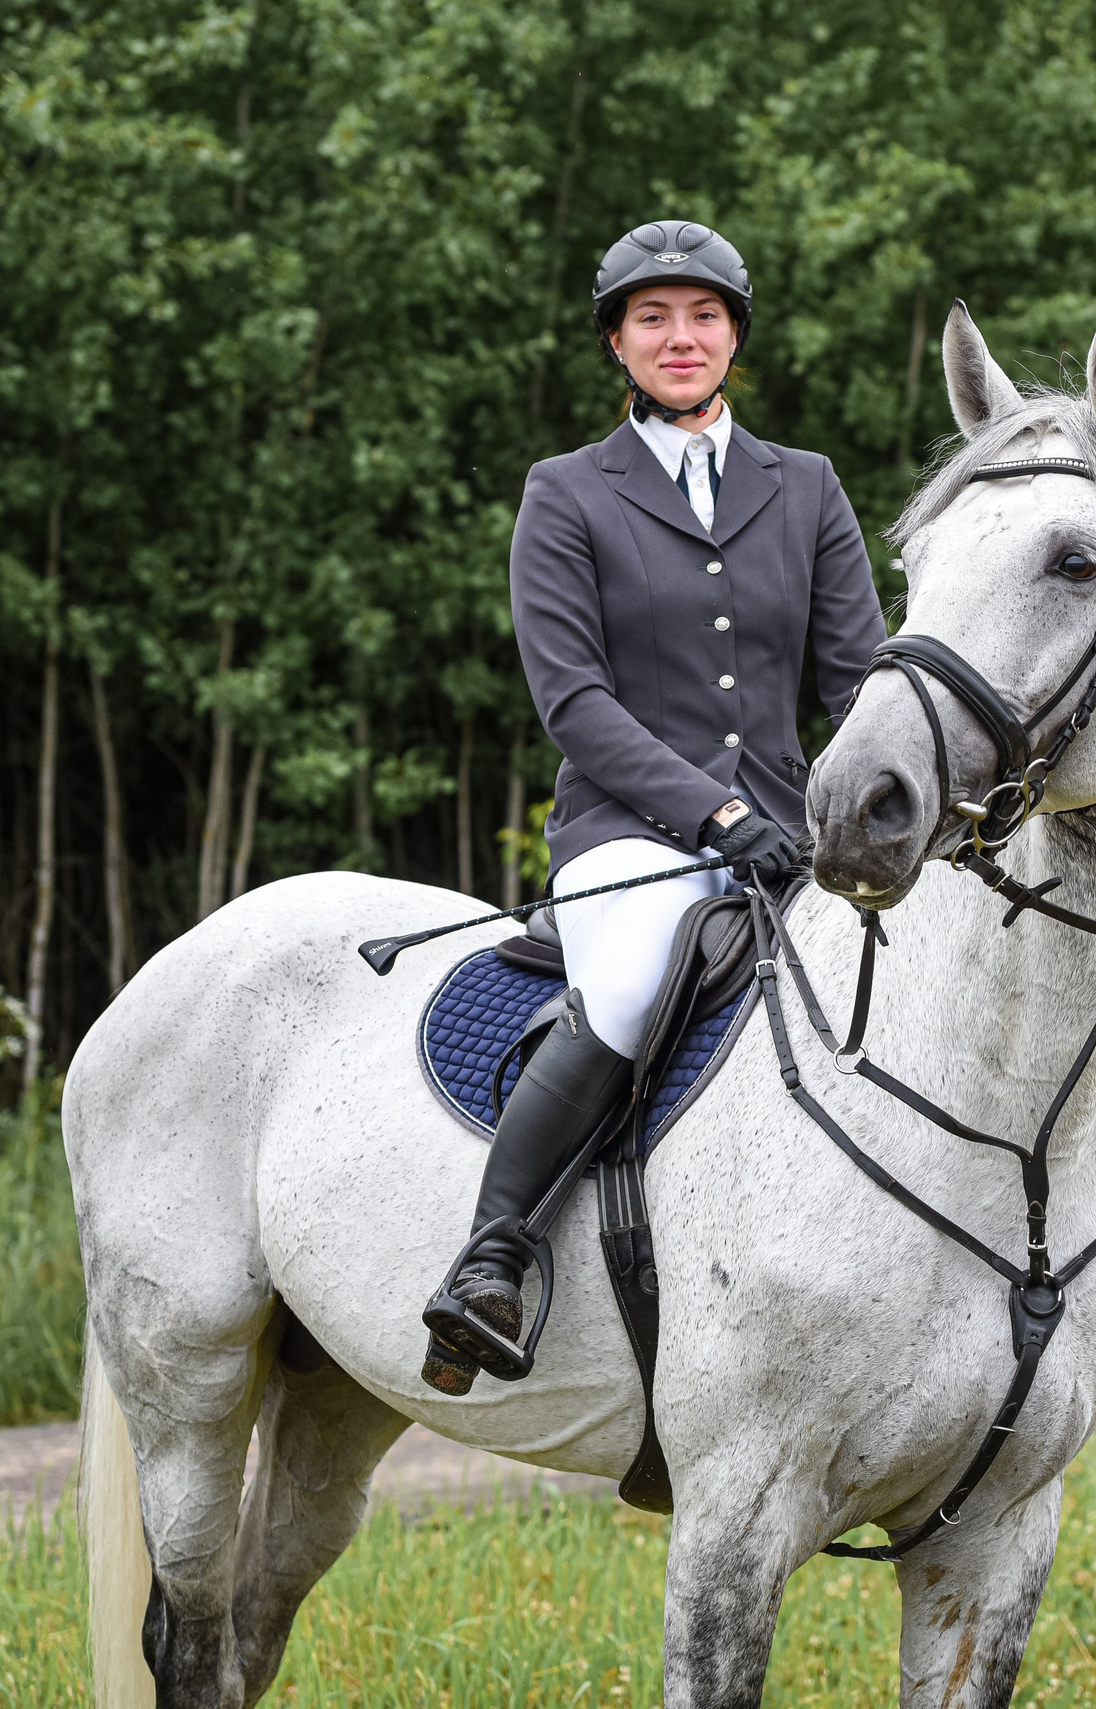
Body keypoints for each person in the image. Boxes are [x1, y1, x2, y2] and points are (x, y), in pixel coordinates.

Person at [423, 219, 887, 1394]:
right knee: (628, 983)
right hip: (628, 837)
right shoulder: (567, 493)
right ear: (616, 344)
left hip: (792, 844)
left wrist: (888, 801)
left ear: (734, 334)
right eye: (652, 318)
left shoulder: (808, 487)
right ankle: (492, 1255)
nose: (680, 338)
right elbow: (573, 700)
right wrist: (719, 819)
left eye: (702, 316)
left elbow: (860, 681)